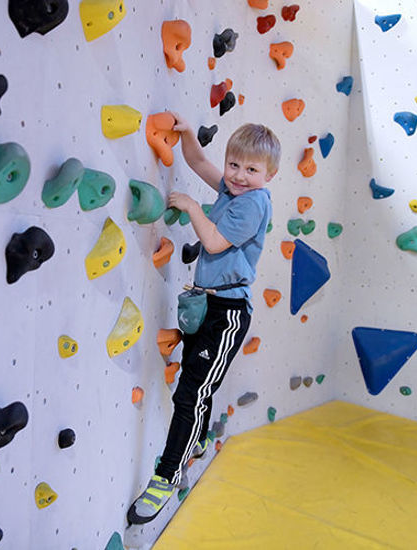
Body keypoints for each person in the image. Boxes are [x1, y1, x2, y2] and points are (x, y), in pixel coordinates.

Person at [127, 113, 281, 525]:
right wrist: (190, 136)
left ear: (269, 175)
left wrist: (194, 206)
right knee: (198, 385)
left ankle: (167, 476)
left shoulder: (253, 203)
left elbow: (213, 242)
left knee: (190, 393)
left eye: (251, 170)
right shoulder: (233, 190)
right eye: (234, 165)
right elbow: (198, 163)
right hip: (207, 305)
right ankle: (193, 443)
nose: (239, 176)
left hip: (227, 314)